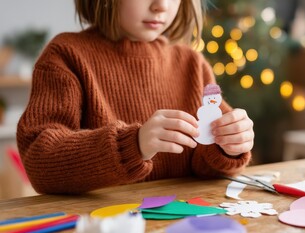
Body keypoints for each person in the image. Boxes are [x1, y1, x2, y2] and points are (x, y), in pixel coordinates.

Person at [16, 0, 254, 194]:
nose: (161, 5)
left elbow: (205, 167)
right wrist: (133, 145)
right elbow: (40, 160)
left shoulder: (193, 64)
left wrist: (229, 146)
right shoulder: (66, 55)